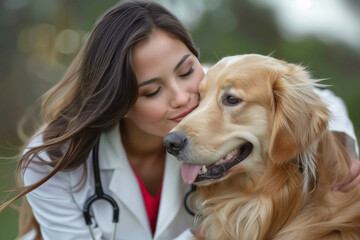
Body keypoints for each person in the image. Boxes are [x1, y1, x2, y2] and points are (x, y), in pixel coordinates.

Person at [0, 1, 359, 239]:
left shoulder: (211, 84)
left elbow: (305, 96)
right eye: (152, 92)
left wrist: (338, 146)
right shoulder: (51, 159)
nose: (184, 98)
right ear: (118, 102)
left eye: (187, 70)